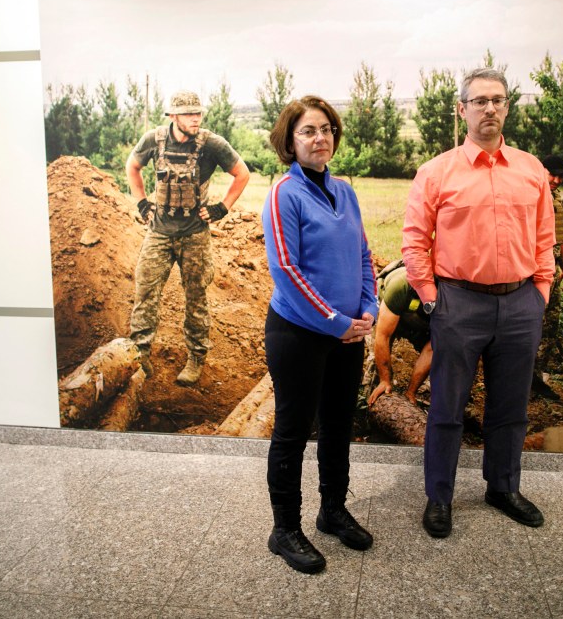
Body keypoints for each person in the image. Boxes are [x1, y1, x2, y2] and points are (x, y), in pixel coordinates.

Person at [403, 67, 555, 537]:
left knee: (511, 407)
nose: (490, 108)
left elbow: (545, 238)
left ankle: (503, 487)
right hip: (458, 304)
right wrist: (432, 299)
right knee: (447, 407)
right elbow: (414, 242)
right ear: (461, 109)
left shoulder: (531, 171)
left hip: (519, 304)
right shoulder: (436, 172)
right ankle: (440, 497)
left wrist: (540, 293)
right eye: (480, 100)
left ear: (508, 107)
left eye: (498, 100)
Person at [262, 95, 378, 574]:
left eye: (327, 129)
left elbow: (364, 256)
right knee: (293, 431)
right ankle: (284, 529)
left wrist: (368, 309)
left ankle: (332, 511)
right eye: (309, 130)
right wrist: (336, 321)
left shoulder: (345, 192)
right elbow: (285, 269)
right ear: (290, 139)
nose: (320, 138)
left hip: (348, 334)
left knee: (337, 424)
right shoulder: (283, 194)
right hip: (299, 334)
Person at [125, 90, 250, 385]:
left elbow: (242, 173)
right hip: (159, 233)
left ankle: (196, 358)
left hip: (195, 235)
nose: (196, 119)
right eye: (189, 114)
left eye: (198, 113)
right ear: (173, 117)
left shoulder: (211, 144)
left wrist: (222, 208)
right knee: (145, 293)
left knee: (196, 298)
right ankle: (139, 356)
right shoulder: (154, 140)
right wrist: (142, 202)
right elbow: (132, 166)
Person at [532, 155, 563, 400]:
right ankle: (522, 378)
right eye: (553, 175)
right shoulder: (530, 193)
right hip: (534, 269)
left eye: (561, 177)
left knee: (550, 323)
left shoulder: (556, 196)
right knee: (530, 323)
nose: (557, 181)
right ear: (542, 171)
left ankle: (535, 378)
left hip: (551, 268)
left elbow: (561, 235)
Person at [366, 263, 433, 406]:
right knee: (378, 367)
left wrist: (411, 392)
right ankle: (371, 395)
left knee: (443, 356)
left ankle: (425, 393)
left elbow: (432, 348)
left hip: (422, 324)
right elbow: (383, 335)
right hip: (391, 311)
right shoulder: (401, 285)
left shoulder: (449, 300)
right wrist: (385, 380)